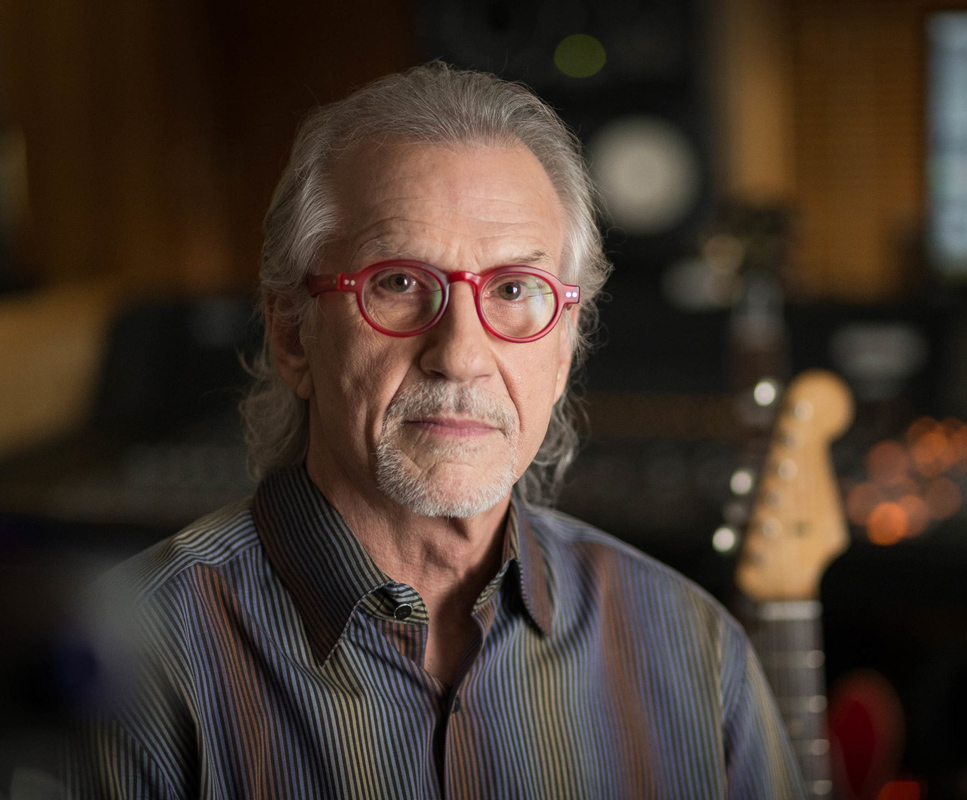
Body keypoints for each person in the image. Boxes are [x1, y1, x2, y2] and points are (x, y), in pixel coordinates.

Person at [68, 63, 803, 799]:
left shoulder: (694, 650)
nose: (460, 355)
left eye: (513, 289)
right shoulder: (129, 669)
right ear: (292, 332)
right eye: (397, 282)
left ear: (564, 350)